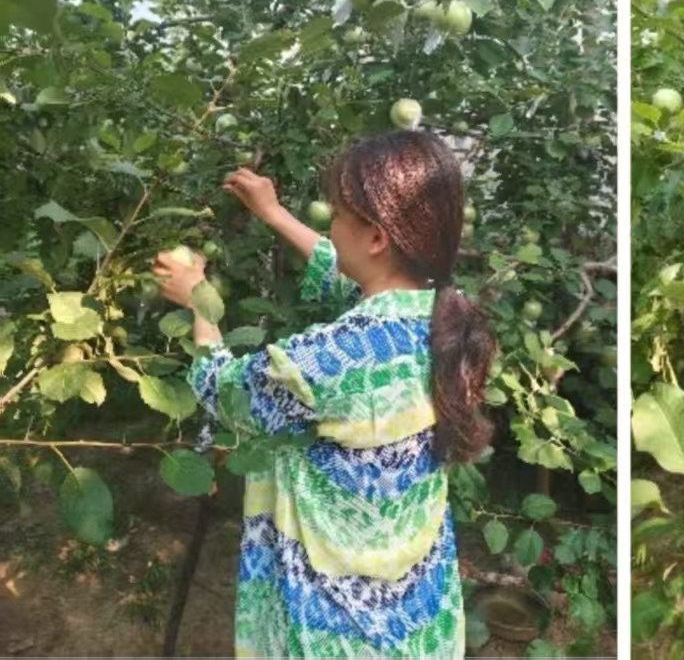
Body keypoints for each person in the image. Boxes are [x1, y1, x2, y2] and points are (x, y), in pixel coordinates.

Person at [153, 126, 494, 660]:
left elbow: (226, 392)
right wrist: (273, 214)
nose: (330, 226)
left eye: (336, 215)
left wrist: (198, 299)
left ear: (377, 237)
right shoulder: (447, 319)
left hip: (338, 627)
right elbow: (357, 280)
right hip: (415, 606)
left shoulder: (329, 361)